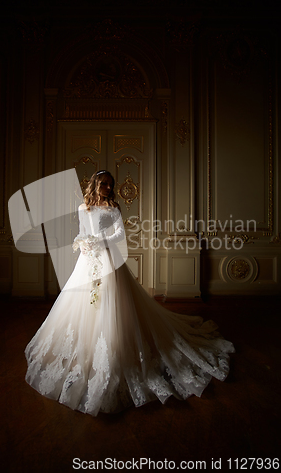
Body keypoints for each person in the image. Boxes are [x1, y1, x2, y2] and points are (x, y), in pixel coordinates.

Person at [25, 170, 235, 416]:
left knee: (113, 303)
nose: (105, 187)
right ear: (94, 184)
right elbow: (82, 231)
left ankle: (118, 349)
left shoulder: (113, 208)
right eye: (102, 183)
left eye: (109, 184)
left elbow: (119, 235)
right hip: (87, 261)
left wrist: (99, 241)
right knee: (80, 304)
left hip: (109, 260)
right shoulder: (84, 208)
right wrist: (83, 242)